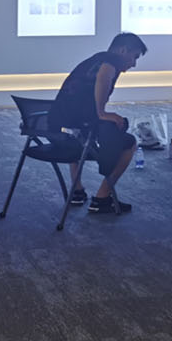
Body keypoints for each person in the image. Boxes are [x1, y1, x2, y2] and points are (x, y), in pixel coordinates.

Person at [50, 32, 147, 214]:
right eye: (134, 57)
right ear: (122, 50)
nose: (133, 64)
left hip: (57, 128)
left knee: (80, 136)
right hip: (76, 127)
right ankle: (102, 198)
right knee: (129, 143)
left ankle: (77, 191)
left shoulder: (94, 60)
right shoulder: (110, 63)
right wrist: (102, 113)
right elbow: (104, 76)